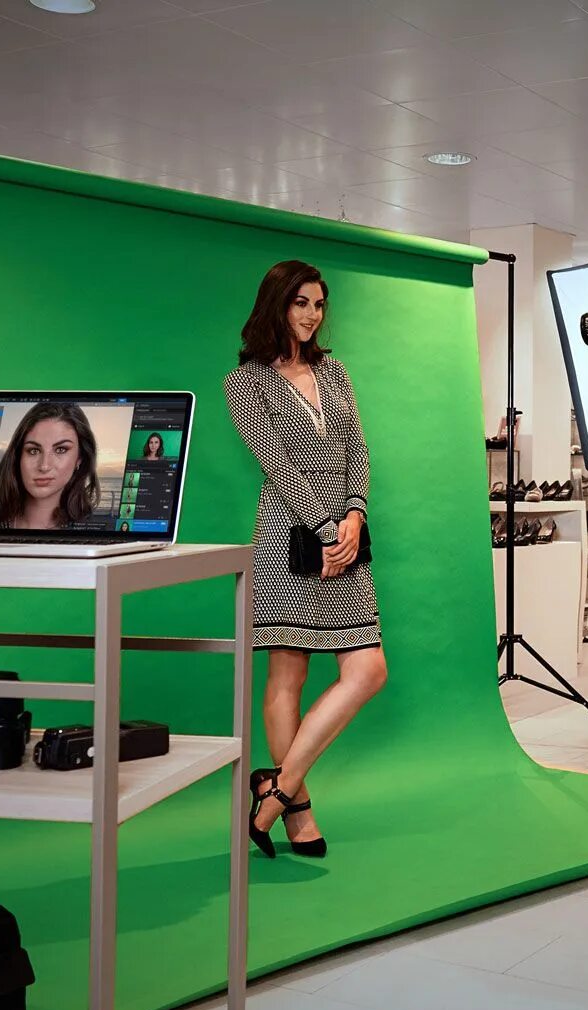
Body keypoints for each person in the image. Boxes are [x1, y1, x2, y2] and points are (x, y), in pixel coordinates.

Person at [224, 259, 386, 860]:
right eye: (301, 303)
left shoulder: (334, 372)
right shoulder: (243, 383)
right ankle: (299, 816)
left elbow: (356, 452)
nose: (312, 315)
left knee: (367, 670)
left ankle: (275, 790)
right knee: (287, 675)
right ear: (277, 305)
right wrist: (324, 531)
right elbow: (279, 464)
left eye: (318, 304)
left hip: (345, 538)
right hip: (287, 539)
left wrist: (354, 518)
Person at [0, 401, 100, 530]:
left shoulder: (93, 536)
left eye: (61, 450)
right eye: (33, 451)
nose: (44, 466)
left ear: (79, 459)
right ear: (18, 457)